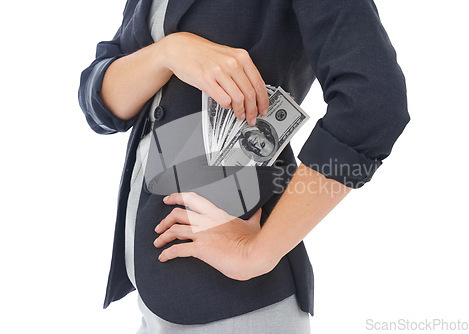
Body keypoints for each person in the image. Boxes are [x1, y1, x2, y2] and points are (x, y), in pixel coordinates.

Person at [78, 0, 410, 332]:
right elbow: (103, 101)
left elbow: (374, 101)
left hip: (234, 305)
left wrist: (258, 252)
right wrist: (169, 53)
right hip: (155, 295)